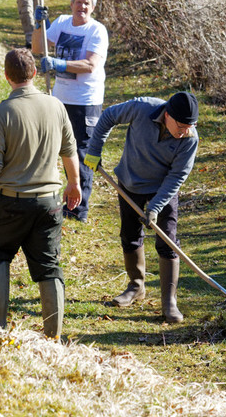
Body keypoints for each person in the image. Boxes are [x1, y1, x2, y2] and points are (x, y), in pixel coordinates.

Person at [0, 48, 81, 338]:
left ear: (7, 77)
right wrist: (74, 183)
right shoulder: (56, 106)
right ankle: (53, 337)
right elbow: (69, 150)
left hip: (11, 204)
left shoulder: (3, 113)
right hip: (50, 204)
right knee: (48, 265)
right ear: (34, 73)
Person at [84, 91, 199, 324]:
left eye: (190, 126)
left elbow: (177, 176)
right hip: (131, 181)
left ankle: (169, 302)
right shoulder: (141, 108)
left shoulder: (189, 139)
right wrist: (94, 150)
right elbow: (107, 117)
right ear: (167, 114)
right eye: (181, 125)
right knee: (130, 234)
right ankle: (136, 286)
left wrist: (156, 207)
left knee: (167, 240)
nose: (185, 131)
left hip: (163, 190)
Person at [33, 0, 109, 223]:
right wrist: (39, 25)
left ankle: (78, 209)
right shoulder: (62, 22)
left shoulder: (97, 30)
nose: (82, 7)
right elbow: (37, 47)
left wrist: (60, 65)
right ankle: (48, 195)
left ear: (93, 7)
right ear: (72, 4)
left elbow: (90, 65)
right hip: (59, 98)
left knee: (81, 151)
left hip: (85, 101)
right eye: (78, 2)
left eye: (87, 3)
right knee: (57, 147)